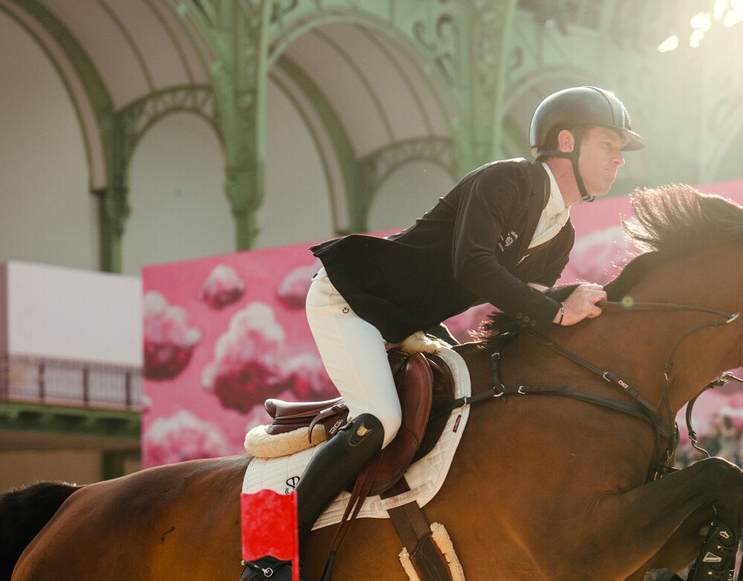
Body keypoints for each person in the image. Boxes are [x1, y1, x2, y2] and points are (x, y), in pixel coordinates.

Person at [263, 86, 641, 576]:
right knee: (380, 418)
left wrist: (581, 306)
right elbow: (474, 267)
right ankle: (271, 553)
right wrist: (556, 309)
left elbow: (524, 302)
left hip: (406, 321)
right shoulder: (507, 181)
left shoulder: (561, 231)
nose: (619, 160)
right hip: (351, 300)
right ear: (566, 141)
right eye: (609, 145)